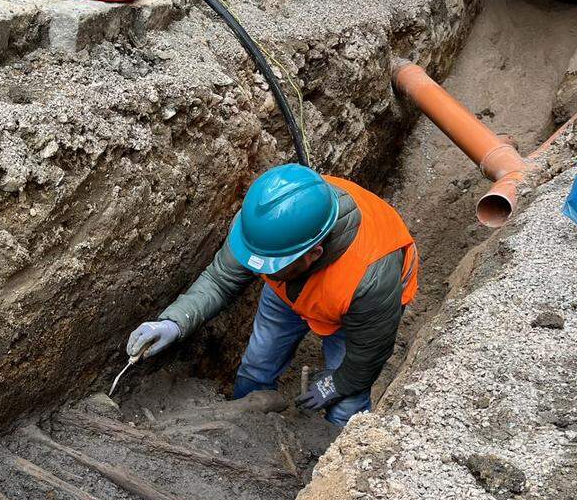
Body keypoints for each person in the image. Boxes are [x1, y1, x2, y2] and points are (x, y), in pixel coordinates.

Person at [126, 164, 418, 427]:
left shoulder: (371, 278)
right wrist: (174, 323)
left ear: (313, 254)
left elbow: (369, 352)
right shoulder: (263, 229)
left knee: (346, 405)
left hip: (352, 307)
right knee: (258, 361)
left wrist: (337, 383)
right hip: (290, 292)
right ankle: (246, 423)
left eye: (272, 267)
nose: (261, 272)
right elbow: (220, 279)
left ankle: (332, 458)